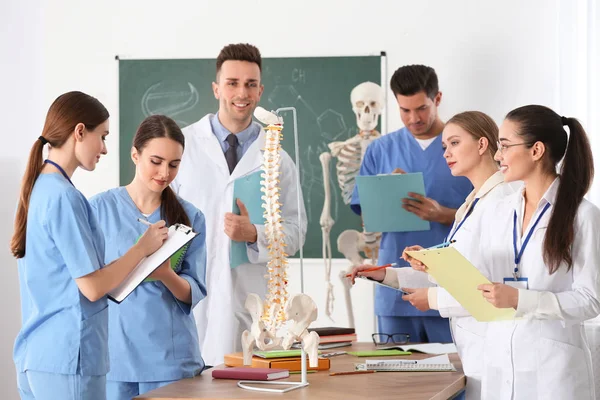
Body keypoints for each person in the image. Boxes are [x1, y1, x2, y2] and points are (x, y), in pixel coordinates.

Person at [351, 111, 517, 400]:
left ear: (481, 145)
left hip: (491, 344)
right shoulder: (472, 204)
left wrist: (432, 299)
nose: (446, 154)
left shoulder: (502, 202)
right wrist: (384, 274)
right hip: (474, 343)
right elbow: (459, 273)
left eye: (454, 143)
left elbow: (490, 288)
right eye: (444, 147)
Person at [11, 91, 167, 400]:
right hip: (69, 358)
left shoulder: (40, 187)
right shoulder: (64, 197)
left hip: (38, 357)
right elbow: (92, 288)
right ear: (80, 131)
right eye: (103, 136)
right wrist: (141, 249)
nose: (106, 149)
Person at [171, 43, 307, 366]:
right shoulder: (183, 146)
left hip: (250, 306)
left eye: (250, 84)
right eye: (232, 83)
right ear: (217, 88)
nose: (241, 93)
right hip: (188, 298)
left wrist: (255, 234)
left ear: (260, 91)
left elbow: (297, 231)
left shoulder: (277, 159)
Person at [474, 105, 600, 399]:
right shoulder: (499, 210)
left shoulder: (583, 215)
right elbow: (481, 274)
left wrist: (522, 299)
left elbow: (591, 300)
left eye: (504, 146)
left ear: (536, 150)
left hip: (553, 372)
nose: (496, 155)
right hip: (500, 360)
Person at [350, 65, 472, 343]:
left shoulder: (464, 147)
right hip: (395, 287)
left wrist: (444, 215)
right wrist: (385, 193)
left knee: (454, 378)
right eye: (405, 110)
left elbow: (488, 217)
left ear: (437, 99)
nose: (413, 118)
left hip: (451, 286)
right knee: (394, 381)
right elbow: (366, 219)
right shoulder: (380, 150)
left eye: (421, 108)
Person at [89, 115, 207, 399]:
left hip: (172, 363)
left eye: (174, 164)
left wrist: (164, 273)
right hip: (114, 361)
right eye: (156, 161)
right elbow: (89, 284)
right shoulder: (98, 209)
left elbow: (194, 291)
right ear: (135, 155)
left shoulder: (191, 217)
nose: (164, 172)